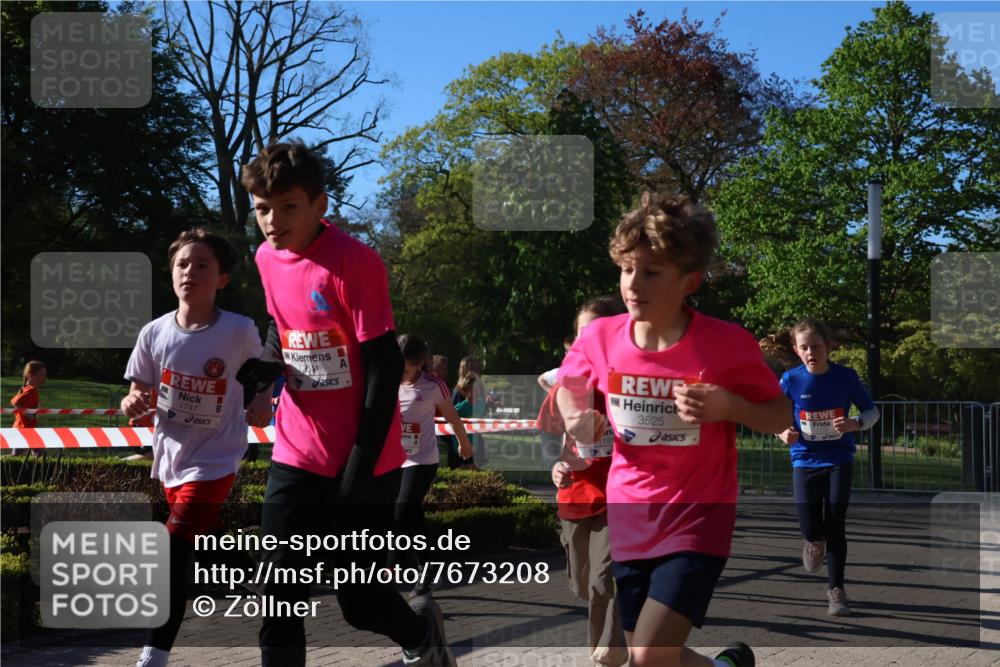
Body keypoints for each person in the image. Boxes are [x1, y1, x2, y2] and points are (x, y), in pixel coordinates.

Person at [242, 141, 455, 667]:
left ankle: (420, 634)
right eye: (263, 209)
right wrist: (270, 364)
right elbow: (282, 326)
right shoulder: (267, 257)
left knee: (357, 602)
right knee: (277, 591)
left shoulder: (354, 263)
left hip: (363, 458)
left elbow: (382, 366)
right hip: (297, 450)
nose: (273, 220)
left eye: (288, 206)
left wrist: (360, 463)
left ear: (320, 205)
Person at [556, 192, 791, 667]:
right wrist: (578, 415)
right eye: (626, 269)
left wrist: (729, 405)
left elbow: (781, 415)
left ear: (690, 281)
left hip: (697, 517)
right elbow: (569, 383)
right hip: (629, 515)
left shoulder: (724, 345)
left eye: (651, 273)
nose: (632, 285)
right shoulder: (600, 337)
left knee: (646, 655)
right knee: (658, 656)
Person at [123, 229, 272, 667]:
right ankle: (265, 580)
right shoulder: (153, 333)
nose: (190, 272)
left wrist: (262, 398)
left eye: (202, 265)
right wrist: (132, 401)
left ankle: (153, 656)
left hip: (217, 459)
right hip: (171, 460)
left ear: (222, 278)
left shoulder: (239, 330)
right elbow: (136, 391)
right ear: (172, 274)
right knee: (200, 547)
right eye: (182, 264)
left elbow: (265, 370)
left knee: (171, 552)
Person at [538, 295, 628, 667]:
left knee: (604, 579)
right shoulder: (566, 382)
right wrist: (555, 465)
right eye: (580, 334)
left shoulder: (629, 383)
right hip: (575, 491)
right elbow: (554, 439)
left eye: (593, 333)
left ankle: (609, 647)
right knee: (582, 583)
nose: (585, 341)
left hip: (620, 494)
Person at [776, 318, 879, 616]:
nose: (811, 352)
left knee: (835, 523)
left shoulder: (846, 377)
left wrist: (854, 424)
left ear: (829, 346)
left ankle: (836, 590)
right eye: (804, 347)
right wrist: (782, 432)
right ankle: (812, 542)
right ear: (796, 350)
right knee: (810, 524)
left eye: (816, 346)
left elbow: (872, 412)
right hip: (804, 459)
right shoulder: (790, 380)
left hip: (838, 458)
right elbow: (773, 415)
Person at [395, 334, 473, 595]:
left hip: (421, 459)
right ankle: (426, 568)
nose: (401, 373)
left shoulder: (433, 385)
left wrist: (464, 443)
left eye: (405, 368)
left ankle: (397, 566)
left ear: (419, 365)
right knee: (409, 513)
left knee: (403, 510)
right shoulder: (387, 381)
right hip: (392, 460)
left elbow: (452, 416)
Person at [453, 356, 488, 468]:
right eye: (473, 368)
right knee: (466, 468)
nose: (476, 371)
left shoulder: (479, 392)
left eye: (478, 368)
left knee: (478, 465)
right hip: (462, 440)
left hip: (475, 437)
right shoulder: (459, 392)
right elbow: (452, 417)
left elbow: (480, 414)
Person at [11, 360, 46, 429]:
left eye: (44, 375)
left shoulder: (25, 388)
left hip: (20, 428)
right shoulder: (31, 390)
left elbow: (15, 402)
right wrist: (31, 416)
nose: (44, 378)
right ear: (31, 375)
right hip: (24, 430)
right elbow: (15, 402)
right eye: (41, 375)